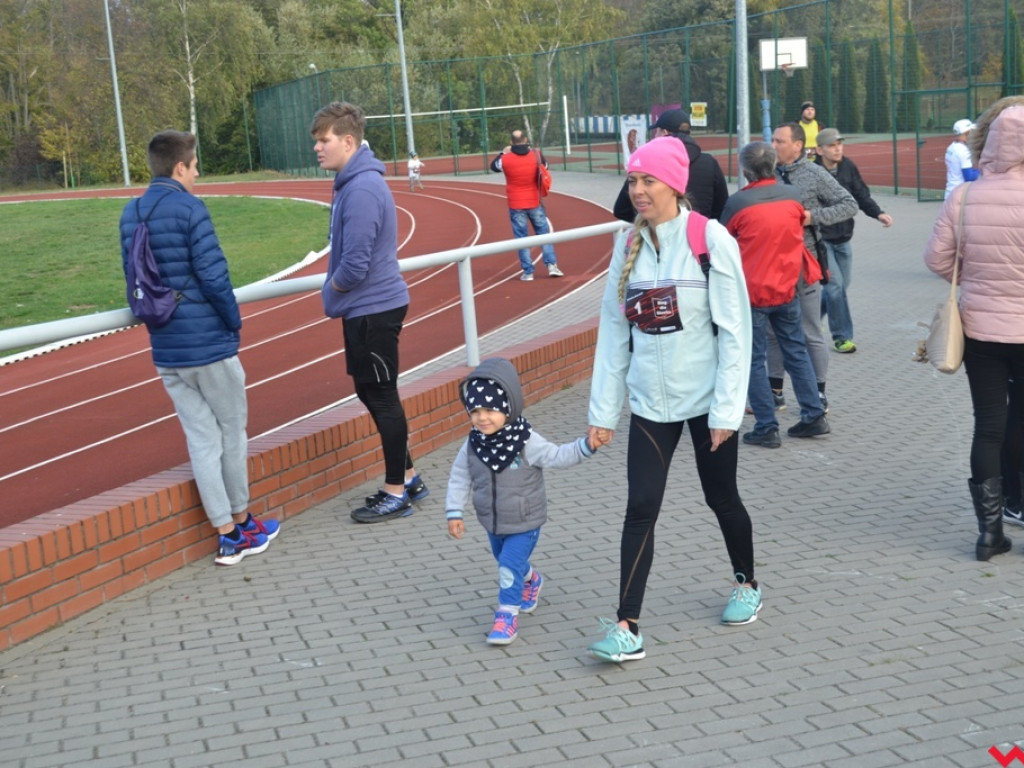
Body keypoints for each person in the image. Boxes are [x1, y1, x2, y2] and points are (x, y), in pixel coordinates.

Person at [585, 136, 759, 664]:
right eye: (632, 180)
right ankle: (627, 625)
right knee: (640, 506)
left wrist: (727, 410)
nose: (637, 190)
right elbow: (613, 334)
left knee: (721, 497)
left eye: (648, 180)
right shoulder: (627, 246)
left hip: (706, 401)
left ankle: (746, 583)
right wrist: (603, 411)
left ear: (674, 185)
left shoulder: (710, 238)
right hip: (649, 405)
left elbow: (736, 333)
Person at [118, 130, 280, 566]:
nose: (197, 175)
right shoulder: (191, 209)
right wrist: (233, 321)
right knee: (232, 432)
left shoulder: (131, 212)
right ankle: (243, 520)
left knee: (201, 440)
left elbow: (132, 277)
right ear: (179, 167)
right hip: (208, 343)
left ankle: (227, 534)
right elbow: (213, 275)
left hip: (166, 346)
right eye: (194, 168)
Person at [311, 101, 429, 523]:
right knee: (373, 392)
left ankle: (396, 492)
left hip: (373, 309)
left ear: (347, 141)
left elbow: (355, 265)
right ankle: (409, 478)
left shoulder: (361, 190)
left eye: (323, 140)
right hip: (369, 308)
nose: (317, 148)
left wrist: (331, 289)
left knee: (381, 396)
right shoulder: (354, 183)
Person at [924, 96, 1024, 561]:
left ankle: (989, 534)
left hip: (981, 330)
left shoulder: (965, 196)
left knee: (988, 426)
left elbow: (936, 259)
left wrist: (975, 279)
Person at [445, 357, 600, 645]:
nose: (482, 418)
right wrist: (454, 512)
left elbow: (557, 456)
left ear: (508, 407)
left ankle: (507, 616)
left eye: (490, 410)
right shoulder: (472, 444)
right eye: (475, 411)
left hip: (525, 521)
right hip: (492, 521)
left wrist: (586, 447)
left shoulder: (526, 441)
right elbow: (459, 477)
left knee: (507, 565)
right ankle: (532, 580)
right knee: (506, 560)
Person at [721, 141, 830, 447]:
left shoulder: (737, 203)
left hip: (753, 292)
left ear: (745, 170)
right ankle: (813, 413)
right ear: (773, 164)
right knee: (796, 350)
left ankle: (767, 425)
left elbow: (722, 240)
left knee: (754, 359)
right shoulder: (793, 196)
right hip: (788, 287)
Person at [768, 122, 857, 412]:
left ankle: (818, 392)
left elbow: (849, 204)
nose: (774, 146)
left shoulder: (814, 173)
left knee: (809, 331)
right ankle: (774, 391)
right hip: (771, 263)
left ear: (798, 146)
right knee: (772, 331)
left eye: (780, 141)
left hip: (804, 262)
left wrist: (812, 216)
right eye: (772, 140)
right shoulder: (766, 173)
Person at [814, 128, 894, 354]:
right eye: (831, 145)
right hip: (820, 240)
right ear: (819, 150)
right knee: (835, 286)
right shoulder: (812, 172)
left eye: (839, 144)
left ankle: (809, 320)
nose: (837, 148)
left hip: (843, 238)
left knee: (840, 287)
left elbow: (861, 194)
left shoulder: (848, 166)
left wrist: (878, 213)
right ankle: (842, 337)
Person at [612, 108, 729, 221]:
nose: (655, 136)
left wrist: (648, 221)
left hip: (660, 232)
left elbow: (621, 210)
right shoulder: (710, 163)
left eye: (657, 132)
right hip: (699, 232)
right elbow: (722, 208)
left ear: (664, 133)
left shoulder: (648, 162)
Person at [489, 130, 563, 281]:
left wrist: (503, 152)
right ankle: (551, 265)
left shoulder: (505, 159)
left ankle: (528, 272)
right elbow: (546, 166)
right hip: (534, 201)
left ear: (511, 142)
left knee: (522, 238)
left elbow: (494, 167)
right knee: (543, 234)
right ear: (525, 139)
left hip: (516, 203)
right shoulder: (536, 155)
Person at [944, 118, 979, 199]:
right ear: (968, 133)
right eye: (972, 131)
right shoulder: (963, 151)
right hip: (959, 195)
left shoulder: (951, 147)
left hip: (950, 192)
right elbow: (969, 177)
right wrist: (984, 171)